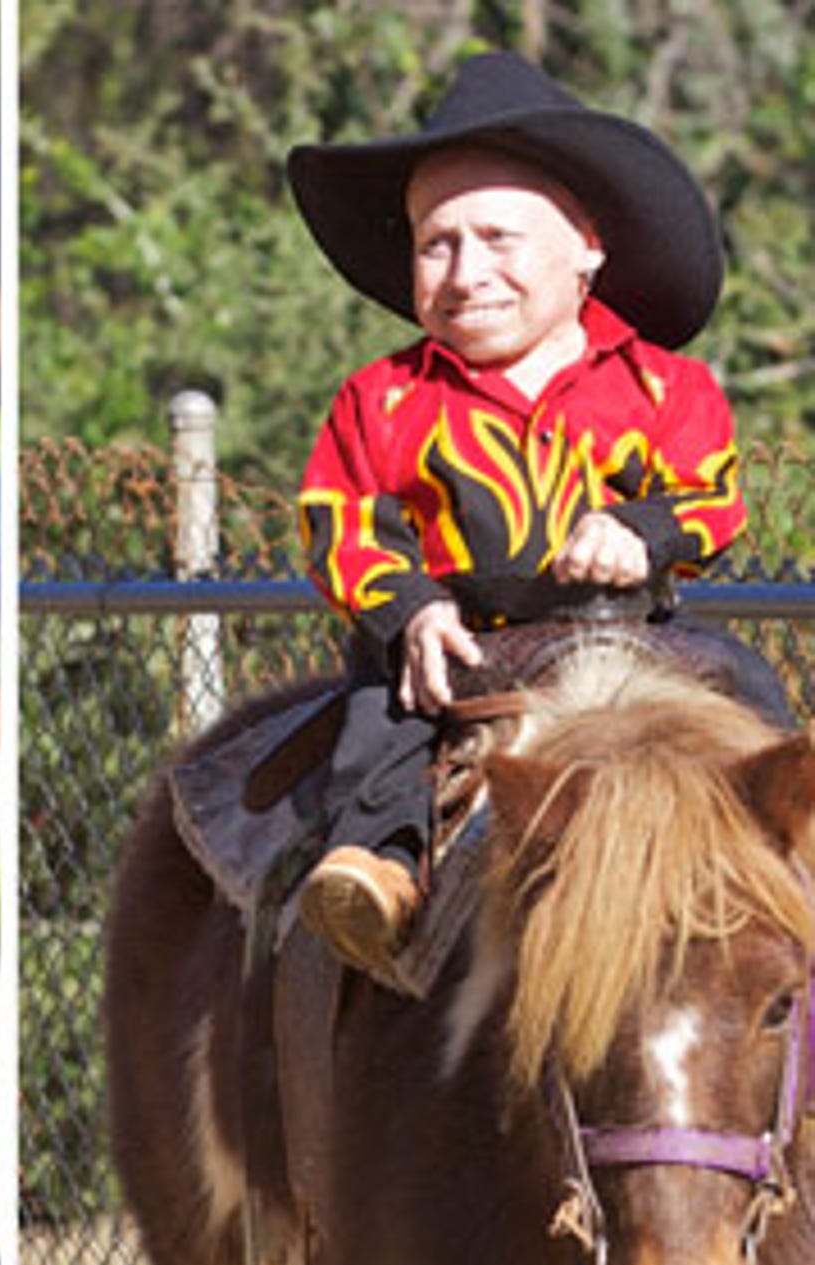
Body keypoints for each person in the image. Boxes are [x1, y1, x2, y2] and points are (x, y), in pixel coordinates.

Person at [284, 47, 794, 980]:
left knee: (749, 700)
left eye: (497, 238)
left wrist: (640, 533)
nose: (465, 270)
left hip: (629, 633)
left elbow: (714, 497)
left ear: (585, 249)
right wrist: (412, 610)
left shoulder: (659, 384)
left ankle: (779, 867)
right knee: (383, 721)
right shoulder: (383, 397)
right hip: (460, 638)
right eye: (435, 244)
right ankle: (381, 869)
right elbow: (340, 523)